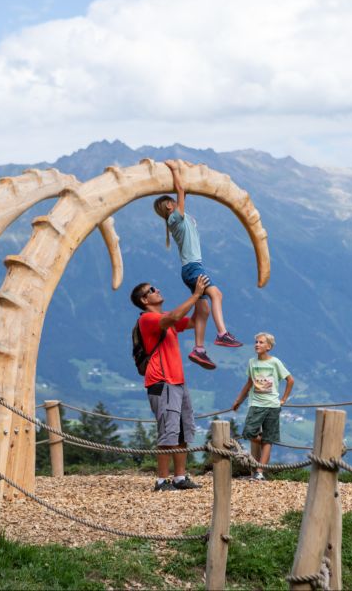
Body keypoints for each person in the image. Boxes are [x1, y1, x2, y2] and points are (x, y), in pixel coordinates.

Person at [152, 159, 242, 371]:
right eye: (174, 201)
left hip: (191, 268)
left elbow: (185, 191)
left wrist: (185, 172)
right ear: (169, 205)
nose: (178, 201)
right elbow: (181, 190)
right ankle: (222, 334)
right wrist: (174, 170)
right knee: (216, 294)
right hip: (193, 267)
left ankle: (198, 349)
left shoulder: (178, 219)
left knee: (202, 311)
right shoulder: (174, 219)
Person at [131, 275, 211, 491]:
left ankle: (180, 477)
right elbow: (176, 315)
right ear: (145, 301)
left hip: (177, 382)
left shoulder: (168, 318)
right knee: (168, 432)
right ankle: (161, 480)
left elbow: (197, 320)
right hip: (161, 381)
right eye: (152, 289)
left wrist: (204, 294)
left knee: (183, 431)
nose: (157, 290)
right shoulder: (147, 319)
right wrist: (195, 294)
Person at [231, 332, 294, 481]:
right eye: (256, 342)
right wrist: (238, 401)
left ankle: (260, 472)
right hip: (256, 404)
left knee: (267, 440)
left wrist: (283, 399)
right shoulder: (252, 362)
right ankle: (267, 441)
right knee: (249, 433)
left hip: (272, 405)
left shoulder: (275, 362)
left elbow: (290, 380)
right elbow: (249, 383)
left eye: (261, 342)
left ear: (269, 347)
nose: (257, 344)